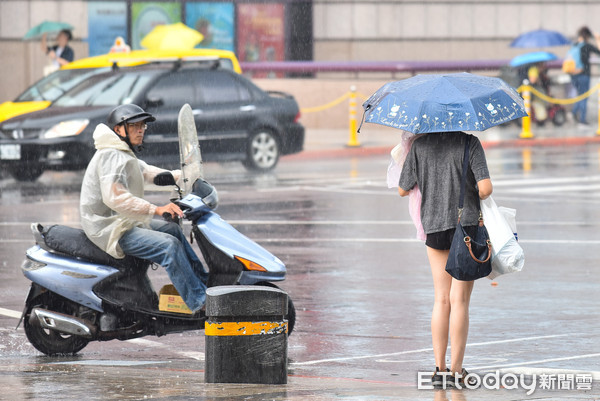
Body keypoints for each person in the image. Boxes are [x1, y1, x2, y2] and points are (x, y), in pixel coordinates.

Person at [80, 104, 208, 313]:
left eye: (142, 126)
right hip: (110, 229)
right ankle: (199, 302)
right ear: (119, 129)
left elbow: (148, 173)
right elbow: (116, 198)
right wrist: (156, 209)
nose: (141, 130)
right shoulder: (111, 156)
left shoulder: (122, 153)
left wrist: (186, 176)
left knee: (173, 230)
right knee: (168, 246)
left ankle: (205, 285)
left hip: (123, 222)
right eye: (134, 126)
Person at [398, 131, 492, 388]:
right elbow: (485, 188)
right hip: (467, 228)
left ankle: (438, 369)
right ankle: (457, 370)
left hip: (435, 228)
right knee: (459, 300)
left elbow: (402, 189)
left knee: (441, 298)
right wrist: (471, 188)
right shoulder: (469, 143)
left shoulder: (420, 146)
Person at [567, 26, 600, 126]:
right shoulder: (587, 46)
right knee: (584, 96)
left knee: (580, 95)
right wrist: (598, 39)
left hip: (573, 75)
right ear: (588, 36)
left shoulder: (574, 45)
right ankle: (582, 119)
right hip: (584, 75)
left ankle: (572, 113)